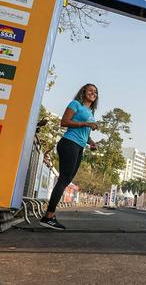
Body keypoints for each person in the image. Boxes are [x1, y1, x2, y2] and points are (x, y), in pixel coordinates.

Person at [40, 84, 99, 230]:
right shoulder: (76, 104)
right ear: (83, 91)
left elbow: (84, 133)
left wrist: (91, 142)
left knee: (66, 181)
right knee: (64, 180)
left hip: (79, 147)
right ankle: (48, 217)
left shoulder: (90, 112)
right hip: (69, 144)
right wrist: (86, 123)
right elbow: (64, 122)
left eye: (96, 92)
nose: (93, 93)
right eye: (90, 90)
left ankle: (49, 216)